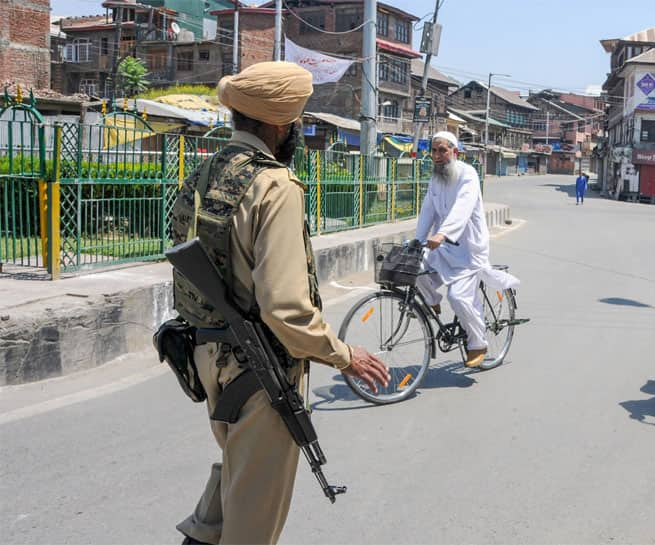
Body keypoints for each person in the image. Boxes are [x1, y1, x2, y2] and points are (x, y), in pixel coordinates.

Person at [170, 61, 389, 545]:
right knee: (253, 524)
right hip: (259, 371)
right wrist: (345, 355)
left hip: (207, 358)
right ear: (277, 123)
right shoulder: (274, 185)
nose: (298, 130)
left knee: (236, 482)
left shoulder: (207, 170)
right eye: (297, 121)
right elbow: (285, 307)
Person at [415, 131, 519, 368]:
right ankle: (432, 298)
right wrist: (418, 240)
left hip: (468, 250)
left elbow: (462, 207)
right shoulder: (436, 179)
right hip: (443, 246)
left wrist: (443, 233)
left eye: (443, 150)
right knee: (415, 265)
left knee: (458, 296)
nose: (438, 155)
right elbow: (427, 211)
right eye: (434, 150)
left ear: (455, 151)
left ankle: (478, 342)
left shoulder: (467, 174)